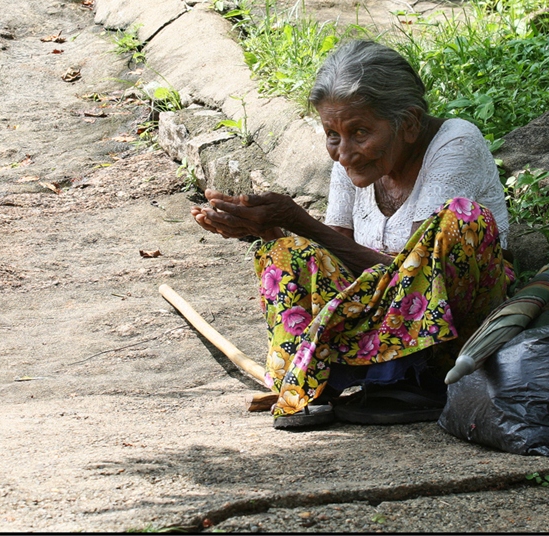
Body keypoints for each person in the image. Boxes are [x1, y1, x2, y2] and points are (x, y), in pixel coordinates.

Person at [191, 40, 514, 429]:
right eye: (333, 135)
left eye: (361, 132)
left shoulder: (455, 142)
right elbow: (332, 256)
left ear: (409, 124)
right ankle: (319, 385)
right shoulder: (352, 157)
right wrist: (272, 230)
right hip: (378, 316)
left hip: (453, 329)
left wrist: (300, 220)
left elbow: (415, 277)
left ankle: (419, 380)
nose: (344, 153)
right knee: (285, 252)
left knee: (461, 219)